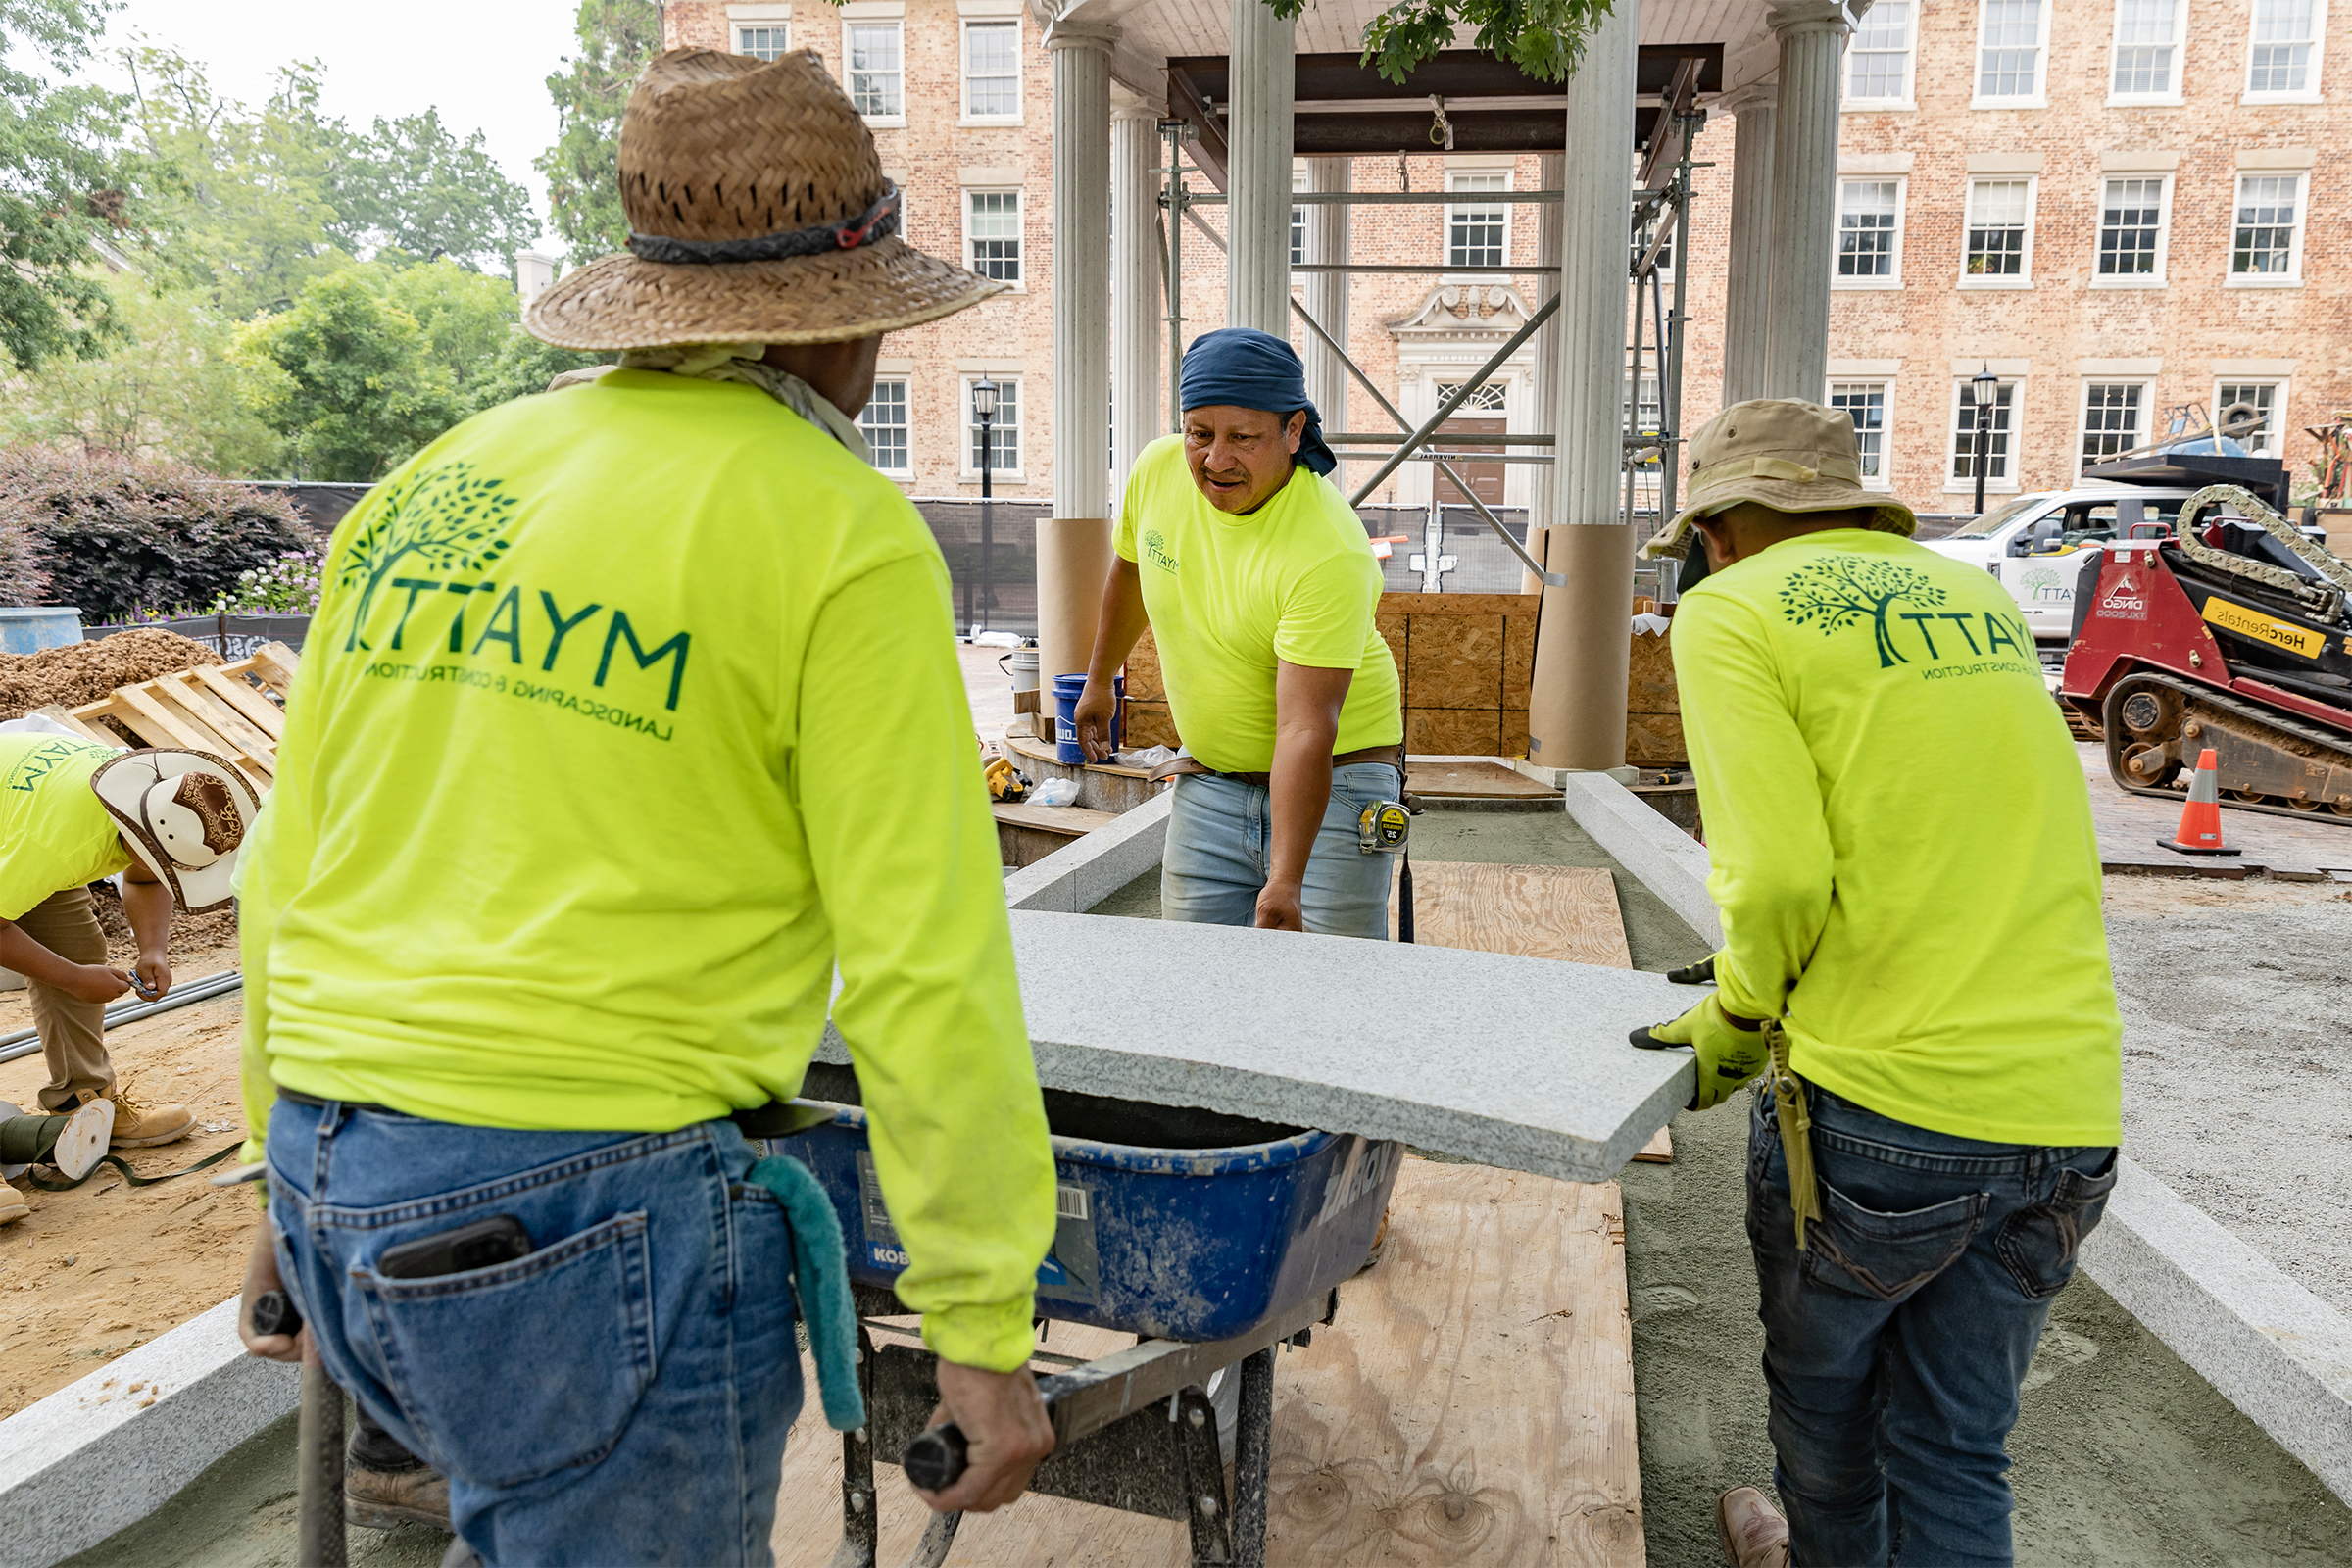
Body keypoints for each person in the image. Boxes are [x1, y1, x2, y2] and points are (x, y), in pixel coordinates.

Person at [232, 47, 1059, 1566]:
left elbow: (291, 864)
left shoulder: (437, 481)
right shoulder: (840, 533)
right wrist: (983, 1326)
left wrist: (275, 1178)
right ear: (858, 316)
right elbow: (921, 962)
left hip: (340, 1169)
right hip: (587, 1210)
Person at [1630, 400, 2123, 1568]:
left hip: (1884, 1112)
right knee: (1959, 1446)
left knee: (1830, 1421)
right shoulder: (1979, 597)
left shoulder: (1732, 612)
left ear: (1725, 526)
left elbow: (1783, 873)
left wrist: (1740, 1016)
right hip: (2066, 1104)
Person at [1070, 328, 1404, 938]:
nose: (1215, 460)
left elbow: (1307, 726)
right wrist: (1099, 680)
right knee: (1198, 986)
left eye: (1243, 439)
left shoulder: (1328, 550)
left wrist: (1286, 879)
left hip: (1338, 781)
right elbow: (1133, 566)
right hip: (1214, 780)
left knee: (1326, 988)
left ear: (1294, 431)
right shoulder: (1157, 470)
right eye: (1200, 434)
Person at [0, 737, 245, 1221]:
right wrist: (73, 980)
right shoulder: (58, 842)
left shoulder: (152, 799)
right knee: (66, 966)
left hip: (19, 823)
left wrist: (153, 948)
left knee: (74, 948)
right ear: (136, 832)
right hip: (29, 833)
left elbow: (145, 876)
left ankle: (82, 1105)